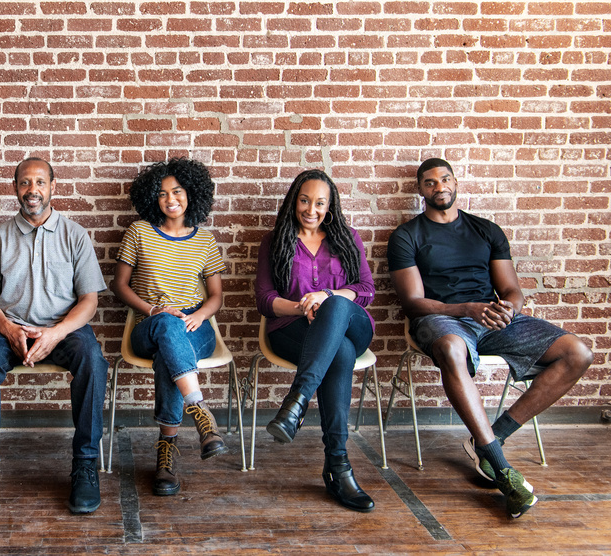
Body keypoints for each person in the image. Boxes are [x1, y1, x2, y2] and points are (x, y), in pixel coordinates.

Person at [388, 157, 592, 518]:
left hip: (493, 320)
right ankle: (501, 468)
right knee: (451, 349)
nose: (440, 187)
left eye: (445, 179)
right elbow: (414, 303)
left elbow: (512, 289)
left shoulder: (486, 230)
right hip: (443, 320)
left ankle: (487, 441)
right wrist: (467, 309)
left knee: (577, 353)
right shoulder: (407, 235)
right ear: (420, 189)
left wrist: (508, 310)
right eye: (431, 182)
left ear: (456, 183)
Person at [0, 157, 108, 517]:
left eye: (40, 182)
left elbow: (89, 302)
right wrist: (10, 329)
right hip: (9, 328)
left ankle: (86, 465)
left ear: (53, 186)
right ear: (15, 188)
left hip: (63, 329)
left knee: (93, 360)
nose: (33, 190)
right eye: (25, 183)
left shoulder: (75, 235)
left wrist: (56, 333)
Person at [254, 169, 377, 512]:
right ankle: (338, 466)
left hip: (353, 323)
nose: (311, 209)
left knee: (335, 304)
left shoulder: (347, 238)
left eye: (319, 202)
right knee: (339, 353)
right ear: (294, 202)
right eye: (305, 200)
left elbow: (366, 291)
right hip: (293, 329)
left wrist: (327, 298)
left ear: (330, 206)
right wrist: (301, 306)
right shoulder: (275, 241)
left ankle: (297, 399)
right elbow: (264, 299)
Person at [110, 157, 229, 497]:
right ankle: (199, 410)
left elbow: (217, 295)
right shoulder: (139, 231)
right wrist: (154, 308)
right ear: (153, 198)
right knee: (165, 327)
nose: (170, 199)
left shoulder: (204, 241)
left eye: (177, 191)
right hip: (150, 321)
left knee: (169, 357)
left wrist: (201, 314)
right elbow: (120, 286)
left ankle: (166, 456)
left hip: (195, 325)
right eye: (162, 194)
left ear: (191, 194)